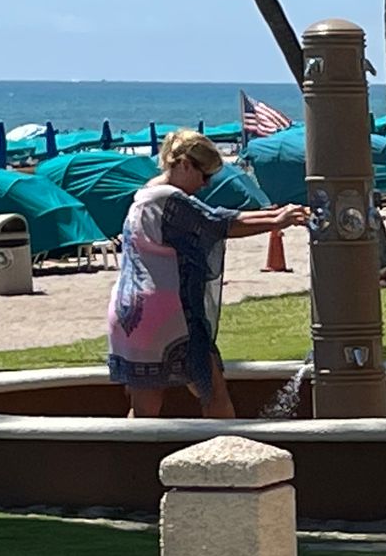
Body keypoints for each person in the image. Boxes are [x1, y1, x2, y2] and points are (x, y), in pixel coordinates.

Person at [107, 130, 311, 417]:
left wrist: (276, 215)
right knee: (214, 395)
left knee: (144, 409)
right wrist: (277, 221)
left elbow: (215, 215)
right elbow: (217, 224)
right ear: (184, 165)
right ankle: (228, 446)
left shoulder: (145, 195)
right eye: (205, 176)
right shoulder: (170, 199)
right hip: (169, 313)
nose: (205, 184)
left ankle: (129, 448)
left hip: (130, 312)